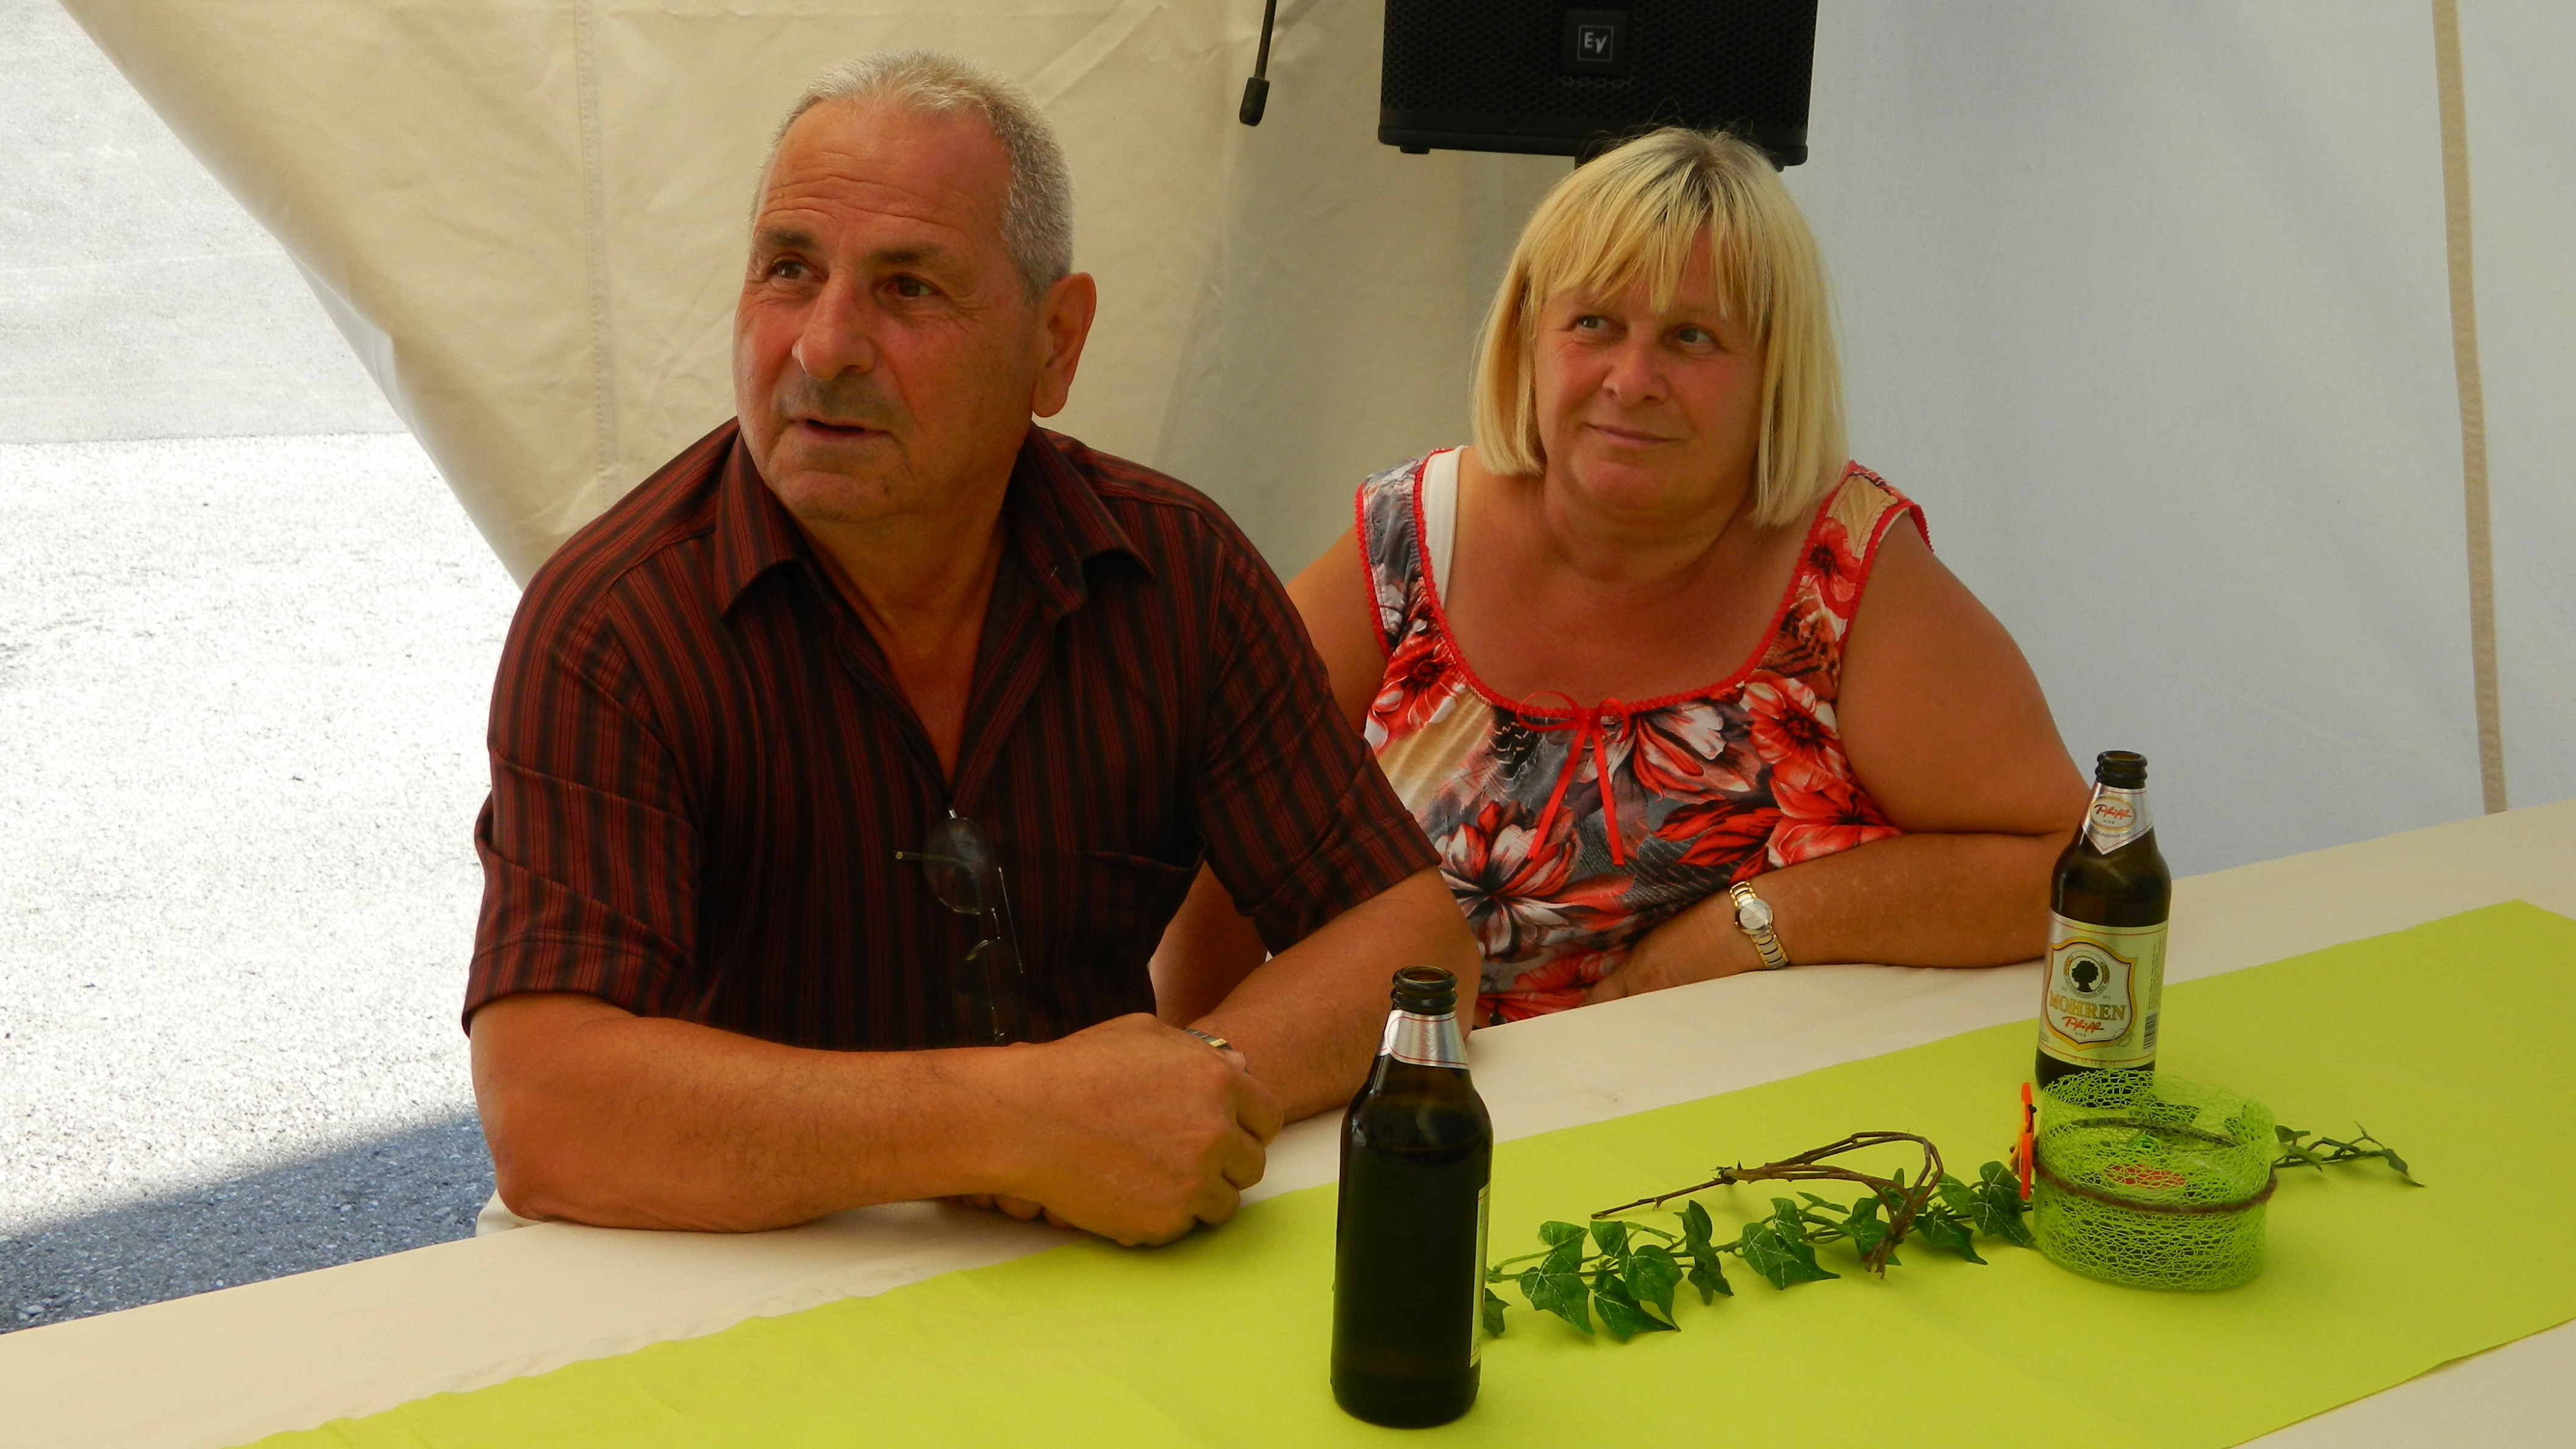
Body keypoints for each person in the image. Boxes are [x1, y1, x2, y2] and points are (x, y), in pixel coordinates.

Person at [465, 51, 1477, 1247]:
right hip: (726, 1264)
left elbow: (1411, 943)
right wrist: (1012, 1126)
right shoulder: (615, 626)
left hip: (1087, 1244)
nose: (824, 347)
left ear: (1056, 342)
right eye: (789, 270)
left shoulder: (1174, 574)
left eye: (908, 288)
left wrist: (1183, 1091)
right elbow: (548, 1109)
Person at [1153, 127, 2087, 1025]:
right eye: (1593, 324)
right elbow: (1220, 846)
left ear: (1775, 370)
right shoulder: (1410, 540)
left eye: (1693, 337)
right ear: (1528, 338)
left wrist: (1750, 926)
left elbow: (2074, 869)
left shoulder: (1843, 572)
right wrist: (1209, 1068)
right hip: (1420, 1099)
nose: (1632, 378)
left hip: (1747, 1113)